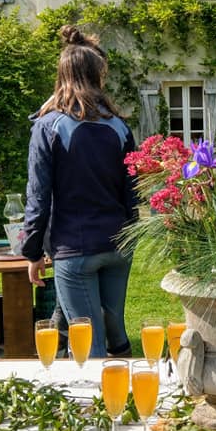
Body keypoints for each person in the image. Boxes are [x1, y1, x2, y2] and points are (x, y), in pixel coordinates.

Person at [22, 25, 139, 358]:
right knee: (116, 334)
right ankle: (134, 403)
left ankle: (104, 408)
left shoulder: (48, 127)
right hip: (119, 246)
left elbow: (38, 196)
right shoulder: (119, 126)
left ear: (61, 76)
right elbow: (133, 192)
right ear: (98, 76)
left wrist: (32, 252)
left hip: (75, 248)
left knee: (91, 348)